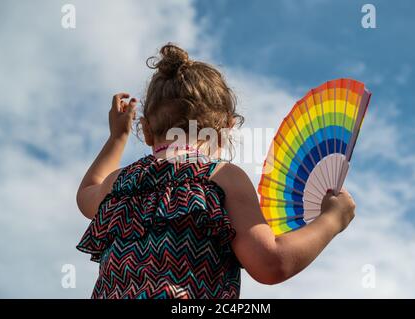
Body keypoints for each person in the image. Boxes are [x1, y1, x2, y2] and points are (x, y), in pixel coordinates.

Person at [76, 43, 356, 299]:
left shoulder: (120, 183)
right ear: (225, 129)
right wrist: (332, 219)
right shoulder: (220, 177)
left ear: (147, 131)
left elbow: (87, 192)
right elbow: (271, 264)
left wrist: (117, 137)